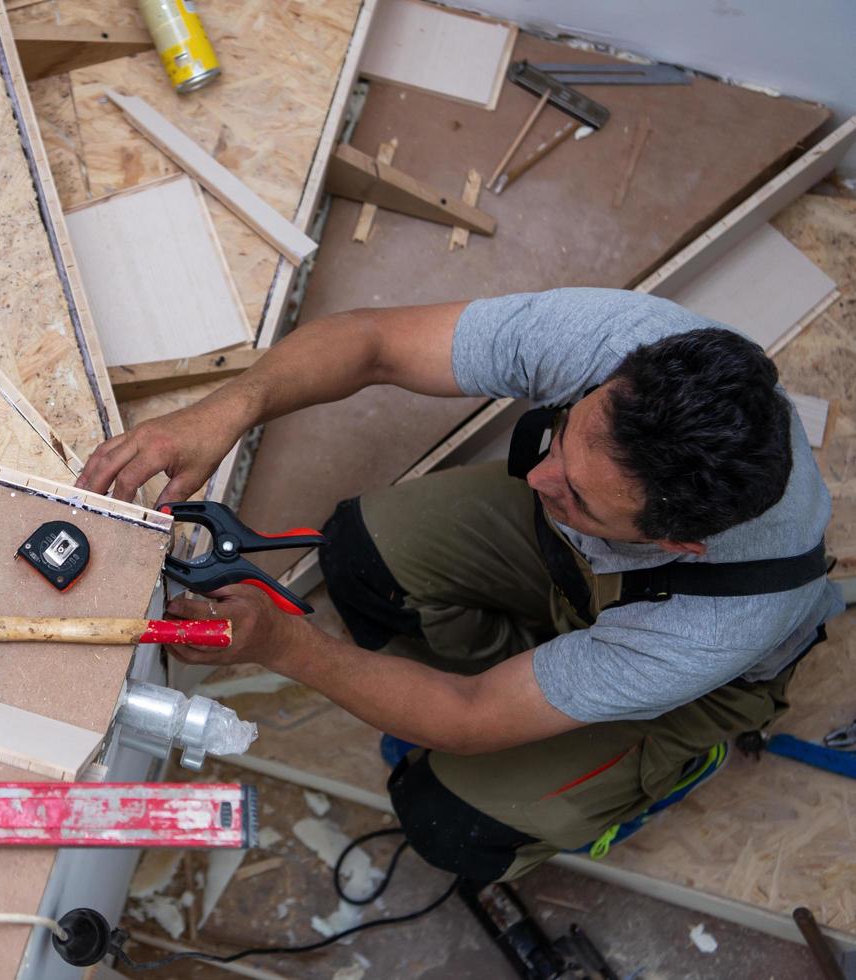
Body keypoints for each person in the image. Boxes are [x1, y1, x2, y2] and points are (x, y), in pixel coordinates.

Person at [76, 288, 840, 881]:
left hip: (678, 649)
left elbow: (469, 715)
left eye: (576, 491)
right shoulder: (624, 344)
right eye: (563, 435)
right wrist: (226, 409)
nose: (537, 477)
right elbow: (373, 343)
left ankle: (650, 756)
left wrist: (283, 645)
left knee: (447, 819)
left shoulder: (711, 630)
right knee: (357, 553)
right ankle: (543, 671)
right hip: (592, 568)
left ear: (675, 541)